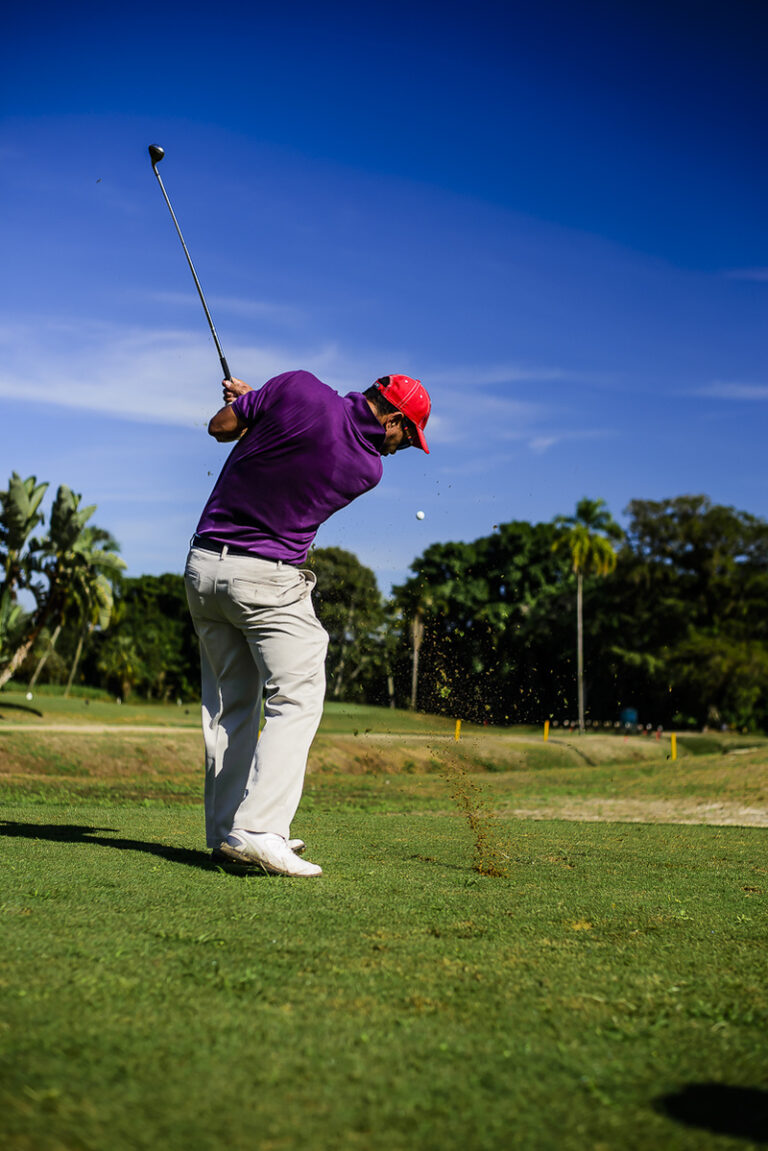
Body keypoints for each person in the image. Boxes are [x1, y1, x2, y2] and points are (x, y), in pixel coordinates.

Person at [184, 370, 431, 877]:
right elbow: (298, 444)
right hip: (265, 580)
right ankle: (257, 831)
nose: (399, 451)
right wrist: (260, 409)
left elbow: (220, 427)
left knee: (231, 704)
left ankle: (228, 830)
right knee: (297, 693)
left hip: (203, 568)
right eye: (407, 437)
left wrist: (256, 403)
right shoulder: (365, 468)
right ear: (392, 418)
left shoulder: (296, 386)